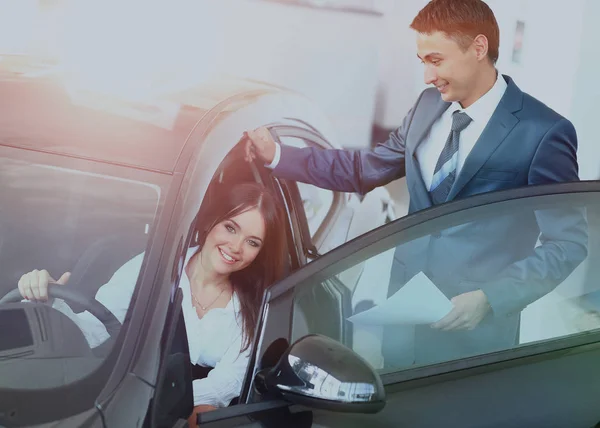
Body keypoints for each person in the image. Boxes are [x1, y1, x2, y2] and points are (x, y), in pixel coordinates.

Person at [244, 0, 588, 366]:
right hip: (404, 319)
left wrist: (491, 298)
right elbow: (364, 168)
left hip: (474, 338)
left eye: (435, 60)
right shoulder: (427, 105)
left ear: (479, 48)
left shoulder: (544, 132)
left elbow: (567, 243)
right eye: (422, 61)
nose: (427, 76)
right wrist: (279, 156)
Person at [17, 182, 288, 412]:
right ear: (212, 221)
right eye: (231, 228)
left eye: (253, 242)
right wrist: (48, 300)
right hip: (120, 403)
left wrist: (155, 401)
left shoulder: (253, 306)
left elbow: (226, 385)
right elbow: (95, 328)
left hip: (171, 414)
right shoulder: (154, 268)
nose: (236, 247)